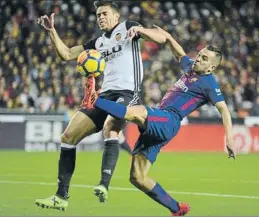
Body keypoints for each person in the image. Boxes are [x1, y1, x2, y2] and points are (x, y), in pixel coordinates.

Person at [86, 25, 236, 216]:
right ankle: (177, 209)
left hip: (169, 120)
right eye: (200, 54)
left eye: (204, 58)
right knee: (137, 177)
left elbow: (224, 110)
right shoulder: (190, 66)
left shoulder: (209, 84)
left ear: (212, 67)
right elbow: (177, 50)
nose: (199, 58)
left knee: (139, 112)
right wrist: (166, 35)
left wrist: (229, 139)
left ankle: (95, 100)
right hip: (161, 121)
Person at [35, 1, 166, 210]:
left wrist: (140, 29)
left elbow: (161, 38)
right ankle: (61, 196)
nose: (101, 18)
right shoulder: (97, 43)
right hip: (104, 95)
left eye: (104, 13)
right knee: (67, 137)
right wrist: (52, 31)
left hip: (128, 93)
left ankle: (104, 184)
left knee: (111, 127)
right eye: (98, 15)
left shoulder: (128, 27)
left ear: (116, 16)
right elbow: (67, 54)